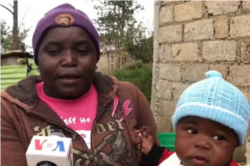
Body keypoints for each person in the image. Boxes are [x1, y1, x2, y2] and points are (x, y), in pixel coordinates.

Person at [0, 3, 158, 166]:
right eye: (54, 51)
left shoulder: (127, 95)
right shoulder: (9, 110)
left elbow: (155, 158)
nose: (69, 61)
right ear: (37, 59)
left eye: (82, 51)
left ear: (96, 57)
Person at [137, 70, 249, 166]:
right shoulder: (179, 159)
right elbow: (171, 158)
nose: (202, 144)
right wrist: (152, 149)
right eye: (192, 131)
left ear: (235, 144)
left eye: (219, 138)